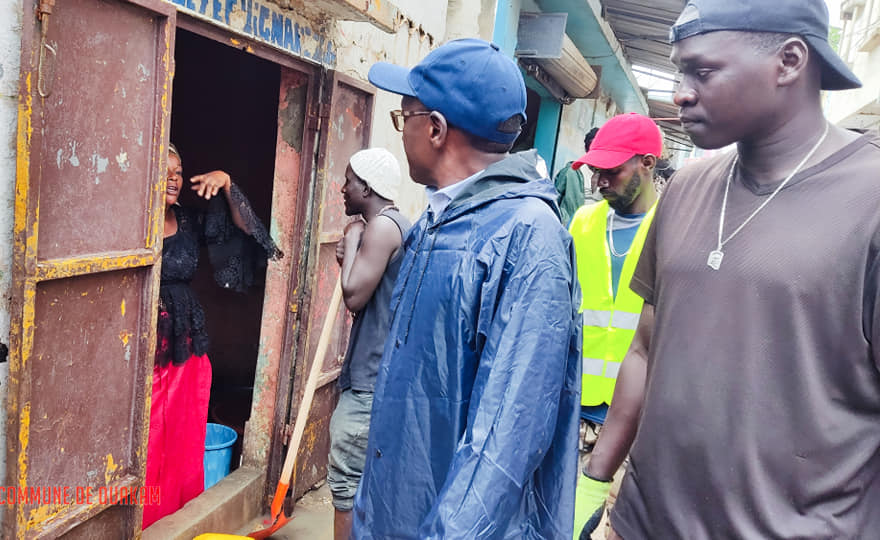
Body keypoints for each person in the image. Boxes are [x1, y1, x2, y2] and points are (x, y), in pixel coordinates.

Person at [578, 1, 880, 538]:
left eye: (703, 70)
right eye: (677, 71)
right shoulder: (687, 189)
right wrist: (598, 485)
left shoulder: (869, 201)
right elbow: (645, 349)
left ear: (788, 61)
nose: (680, 92)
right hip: (640, 524)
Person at [351, 38, 582, 539]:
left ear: (434, 129)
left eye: (403, 116)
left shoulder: (525, 236)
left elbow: (507, 437)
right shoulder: (438, 220)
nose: (402, 130)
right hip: (397, 507)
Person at [144, 144, 279, 528]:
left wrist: (227, 184)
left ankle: (177, 513)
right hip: (148, 347)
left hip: (186, 343)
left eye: (179, 171)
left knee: (184, 432)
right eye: (164, 170)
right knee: (149, 434)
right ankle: (145, 516)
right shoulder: (134, 222)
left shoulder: (186, 221)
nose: (174, 178)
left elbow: (244, 227)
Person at [565, 113, 661, 539]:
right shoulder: (583, 223)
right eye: (596, 170)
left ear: (648, 163)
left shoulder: (674, 227)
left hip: (635, 424)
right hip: (573, 409)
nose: (600, 180)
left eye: (612, 170)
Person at [327, 148, 410, 540]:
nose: (343, 188)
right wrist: (351, 252)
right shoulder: (394, 225)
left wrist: (354, 236)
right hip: (379, 372)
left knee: (345, 481)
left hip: (371, 378)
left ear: (367, 187)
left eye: (349, 181)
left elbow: (354, 295)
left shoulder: (380, 227)